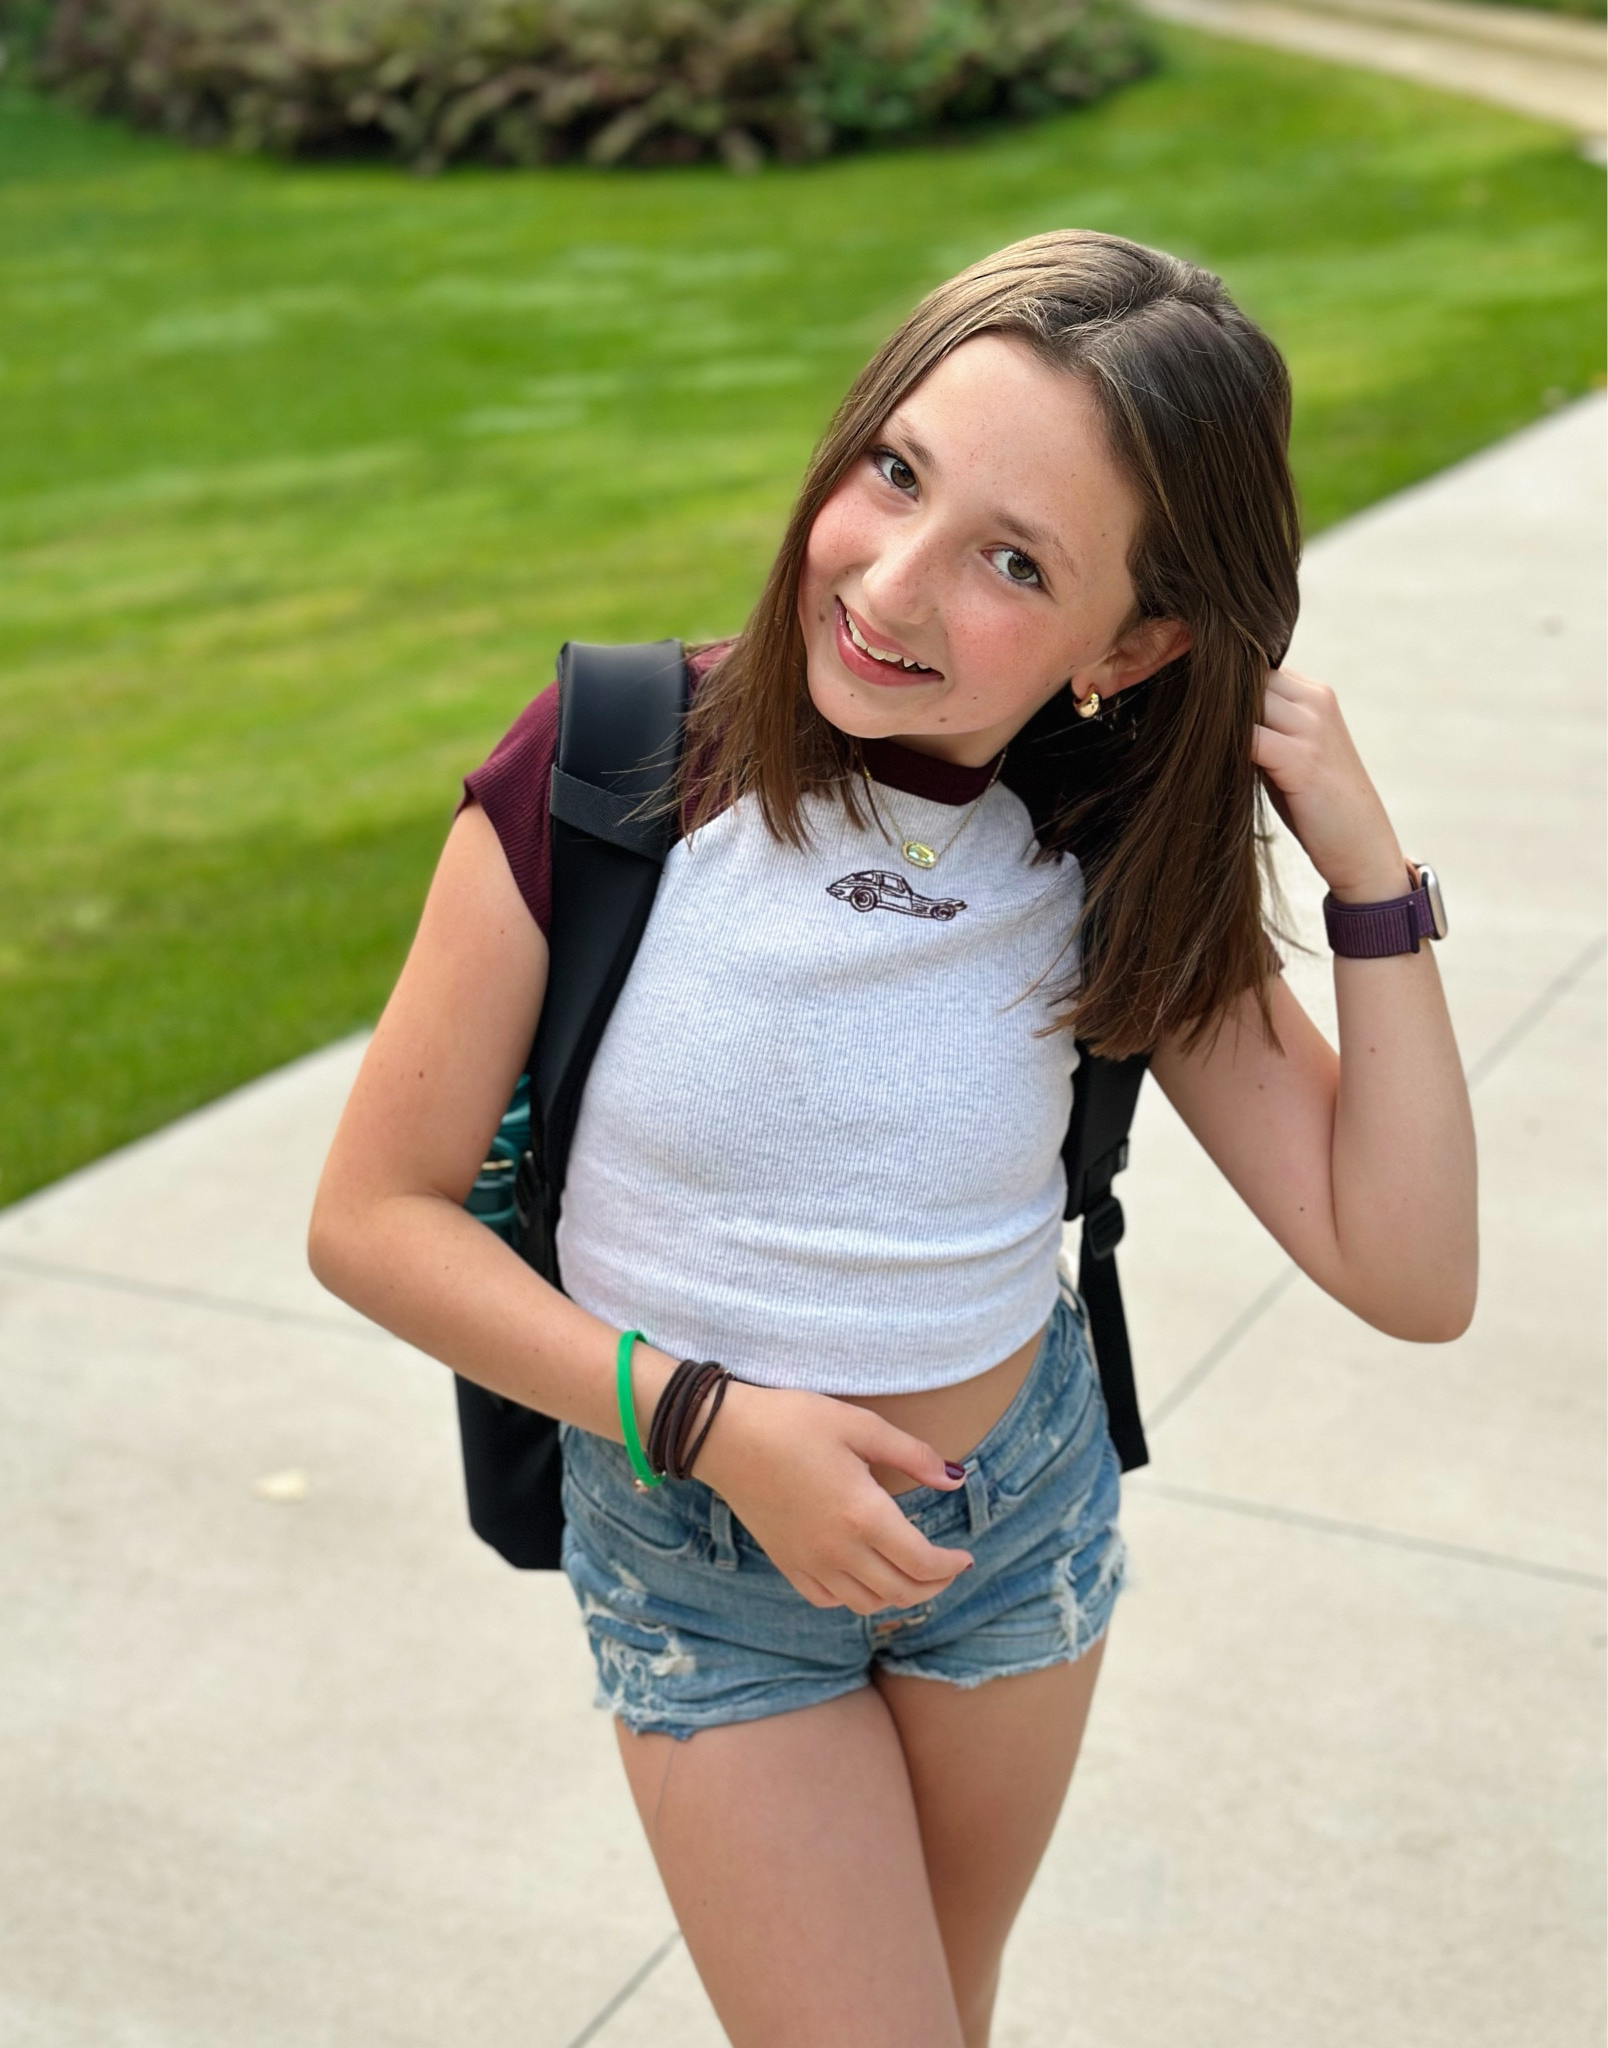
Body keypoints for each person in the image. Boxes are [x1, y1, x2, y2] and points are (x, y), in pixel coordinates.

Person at [308, 230, 1477, 2048]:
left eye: (1015, 561)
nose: (893, 585)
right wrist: (707, 1421)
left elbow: (1407, 1272)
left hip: (1011, 1539)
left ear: (1139, 640)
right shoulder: (613, 767)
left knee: (942, 2013)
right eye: (894, 473)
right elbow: (371, 1219)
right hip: (705, 1553)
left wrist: (1367, 879)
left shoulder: (1101, 857)